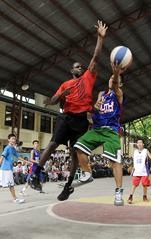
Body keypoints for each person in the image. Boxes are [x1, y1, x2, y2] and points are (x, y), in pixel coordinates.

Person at [29, 20, 108, 201]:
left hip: (81, 120)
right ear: (71, 70)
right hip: (66, 117)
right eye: (77, 66)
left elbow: (95, 57)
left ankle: (68, 185)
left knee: (75, 152)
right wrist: (63, 92)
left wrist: (100, 38)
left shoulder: (88, 77)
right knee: (53, 144)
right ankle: (35, 174)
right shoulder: (65, 83)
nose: (81, 68)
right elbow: (51, 101)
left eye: (82, 66)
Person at [74, 63, 125, 206]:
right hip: (97, 129)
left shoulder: (119, 94)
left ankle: (119, 192)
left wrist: (116, 73)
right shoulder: (102, 94)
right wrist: (94, 108)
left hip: (111, 130)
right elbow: (94, 110)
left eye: (115, 79)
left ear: (120, 84)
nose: (112, 80)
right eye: (111, 78)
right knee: (79, 146)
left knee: (115, 162)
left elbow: (115, 85)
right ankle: (87, 173)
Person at [0, 134, 30, 203]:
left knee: (9, 184)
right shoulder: (7, 148)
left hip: (9, 168)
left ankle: (15, 198)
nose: (14, 140)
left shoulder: (13, 148)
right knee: (11, 184)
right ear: (9, 140)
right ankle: (15, 199)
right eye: (12, 138)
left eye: (14, 139)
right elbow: (2, 156)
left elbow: (18, 156)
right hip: (6, 169)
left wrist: (26, 162)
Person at [127, 138, 151, 204]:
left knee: (144, 184)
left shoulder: (146, 151)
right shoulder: (135, 152)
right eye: (138, 143)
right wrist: (132, 167)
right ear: (137, 144)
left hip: (144, 170)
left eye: (141, 142)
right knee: (134, 184)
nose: (139, 144)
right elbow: (134, 160)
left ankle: (144, 196)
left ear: (143, 144)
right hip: (137, 171)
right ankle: (130, 196)